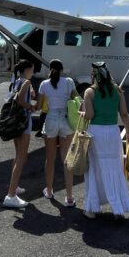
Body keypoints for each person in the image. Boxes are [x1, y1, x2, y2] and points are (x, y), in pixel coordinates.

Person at [81, 62, 129, 220]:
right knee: (114, 167)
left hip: (96, 133)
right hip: (113, 132)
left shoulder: (89, 92)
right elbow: (124, 114)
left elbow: (89, 115)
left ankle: (91, 209)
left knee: (95, 168)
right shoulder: (118, 91)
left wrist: (81, 113)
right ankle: (118, 209)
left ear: (94, 75)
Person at [37, 59, 78, 206]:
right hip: (66, 119)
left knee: (50, 158)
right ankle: (69, 197)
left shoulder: (44, 84)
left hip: (51, 119)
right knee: (67, 159)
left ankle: (49, 190)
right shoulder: (69, 82)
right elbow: (76, 99)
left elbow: (39, 107)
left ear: (50, 69)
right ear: (62, 69)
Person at [3, 59, 38, 209]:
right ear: (27, 69)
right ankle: (11, 195)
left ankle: (14, 186)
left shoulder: (17, 81)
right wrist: (30, 106)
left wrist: (30, 95)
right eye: (32, 69)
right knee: (22, 157)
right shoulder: (27, 82)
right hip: (24, 122)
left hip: (16, 122)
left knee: (18, 155)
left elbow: (15, 96)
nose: (33, 72)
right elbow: (18, 99)